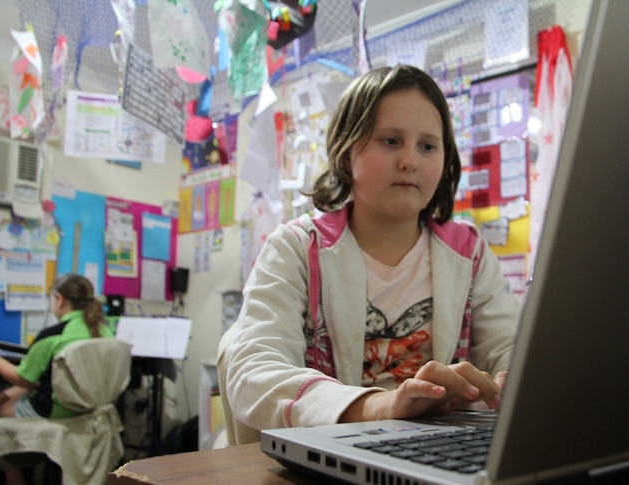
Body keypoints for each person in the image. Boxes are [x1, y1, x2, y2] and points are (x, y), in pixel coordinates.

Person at [221, 64, 521, 439]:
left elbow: (511, 347)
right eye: (390, 141)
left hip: (437, 450)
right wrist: (380, 406)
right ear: (347, 154)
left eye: (428, 145)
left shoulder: (470, 252)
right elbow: (253, 372)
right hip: (329, 454)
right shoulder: (298, 249)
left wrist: (518, 380)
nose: (410, 160)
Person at [0, 273, 115, 419]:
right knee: (11, 393)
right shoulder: (105, 331)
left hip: (56, 409)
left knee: (2, 409)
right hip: (92, 408)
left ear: (59, 299)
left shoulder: (53, 335)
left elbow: (24, 378)